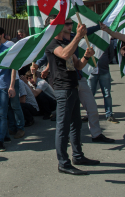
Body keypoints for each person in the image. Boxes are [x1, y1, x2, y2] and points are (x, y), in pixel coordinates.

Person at [42, 18, 100, 175]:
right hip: (63, 89)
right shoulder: (52, 44)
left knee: (76, 124)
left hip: (73, 87)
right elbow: (65, 54)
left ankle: (78, 156)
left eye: (67, 23)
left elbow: (78, 65)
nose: (68, 26)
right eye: (63, 24)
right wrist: (78, 36)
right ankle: (63, 163)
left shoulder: (64, 44)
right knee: (63, 126)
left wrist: (87, 56)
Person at [0, 28, 24, 152]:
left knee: (2, 113)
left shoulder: (6, 50)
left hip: (3, 86)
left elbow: (13, 68)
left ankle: (1, 140)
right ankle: (6, 136)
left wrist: (12, 86)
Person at [87, 40, 118, 123]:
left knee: (107, 94)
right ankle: (89, 114)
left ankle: (109, 114)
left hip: (104, 71)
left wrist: (104, 63)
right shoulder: (89, 40)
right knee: (90, 95)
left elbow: (111, 55)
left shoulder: (107, 41)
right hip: (91, 72)